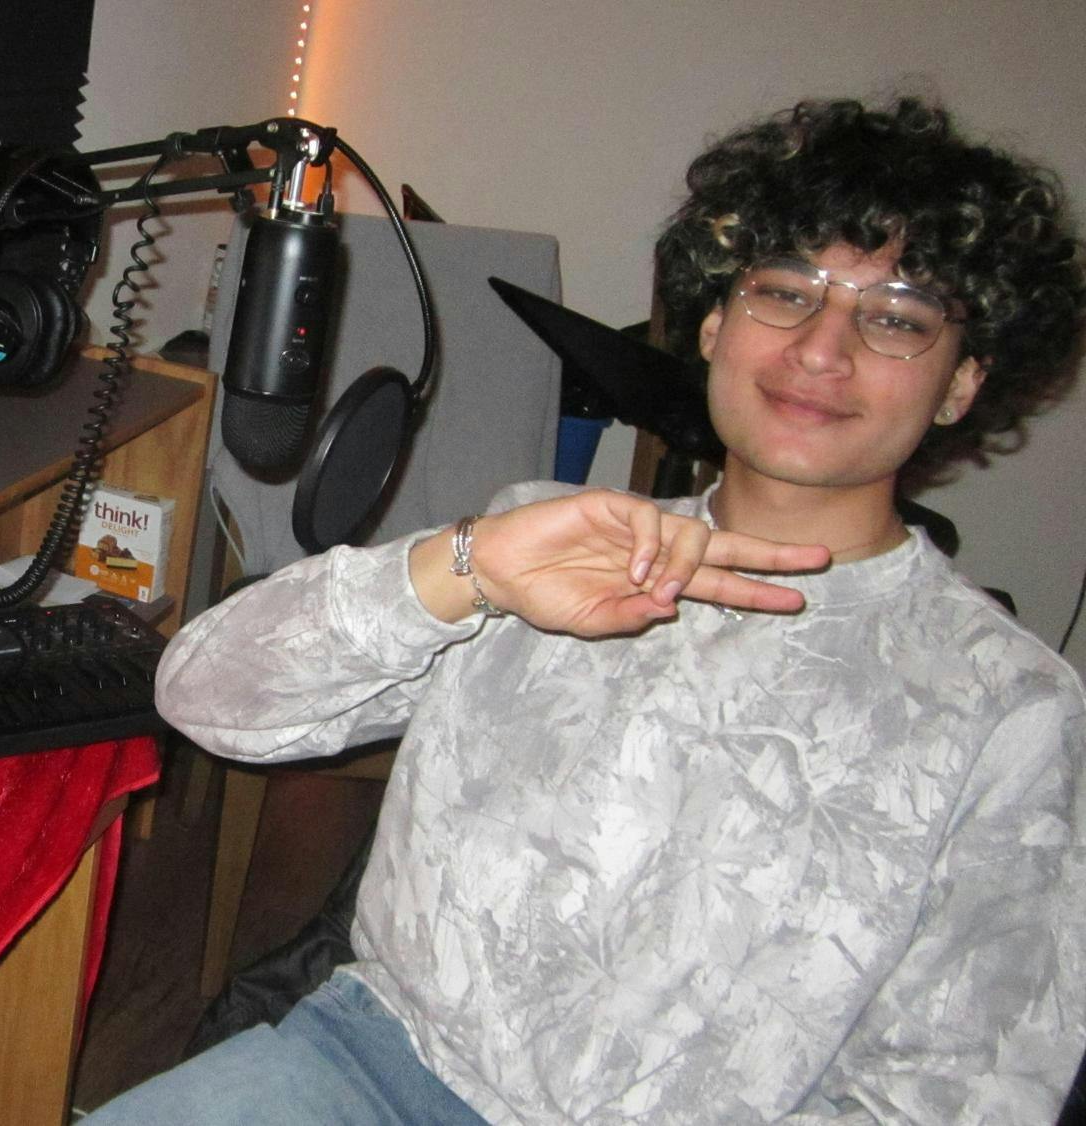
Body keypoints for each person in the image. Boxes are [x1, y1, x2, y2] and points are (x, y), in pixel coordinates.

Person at [86, 96, 1086, 1123]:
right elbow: (204, 694)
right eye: (784, 292)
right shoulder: (542, 539)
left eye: (893, 317)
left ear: (961, 381)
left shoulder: (1007, 703)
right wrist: (460, 568)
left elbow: (963, 1088)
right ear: (711, 323)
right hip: (360, 1070)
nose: (821, 349)